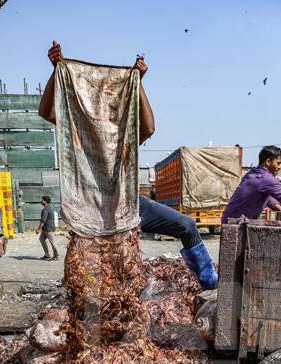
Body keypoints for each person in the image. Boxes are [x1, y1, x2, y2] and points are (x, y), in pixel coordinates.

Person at [39, 41, 218, 290]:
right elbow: (46, 112)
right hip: (92, 211)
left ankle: (210, 286)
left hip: (128, 206)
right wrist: (56, 71)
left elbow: (149, 127)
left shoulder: (122, 135)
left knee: (186, 225)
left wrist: (138, 83)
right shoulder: (79, 135)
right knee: (107, 272)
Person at [221, 145, 281, 223]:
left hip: (229, 219)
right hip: (236, 222)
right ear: (268, 162)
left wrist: (276, 205)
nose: (280, 167)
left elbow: (262, 194)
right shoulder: (267, 178)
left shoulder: (252, 174)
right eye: (278, 163)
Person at [36, 195, 58, 261]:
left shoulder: (45, 209)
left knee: (53, 243)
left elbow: (43, 221)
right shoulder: (49, 208)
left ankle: (56, 256)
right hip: (46, 229)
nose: (41, 201)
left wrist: (39, 229)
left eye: (42, 200)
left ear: (45, 201)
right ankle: (47, 254)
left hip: (48, 229)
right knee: (41, 239)